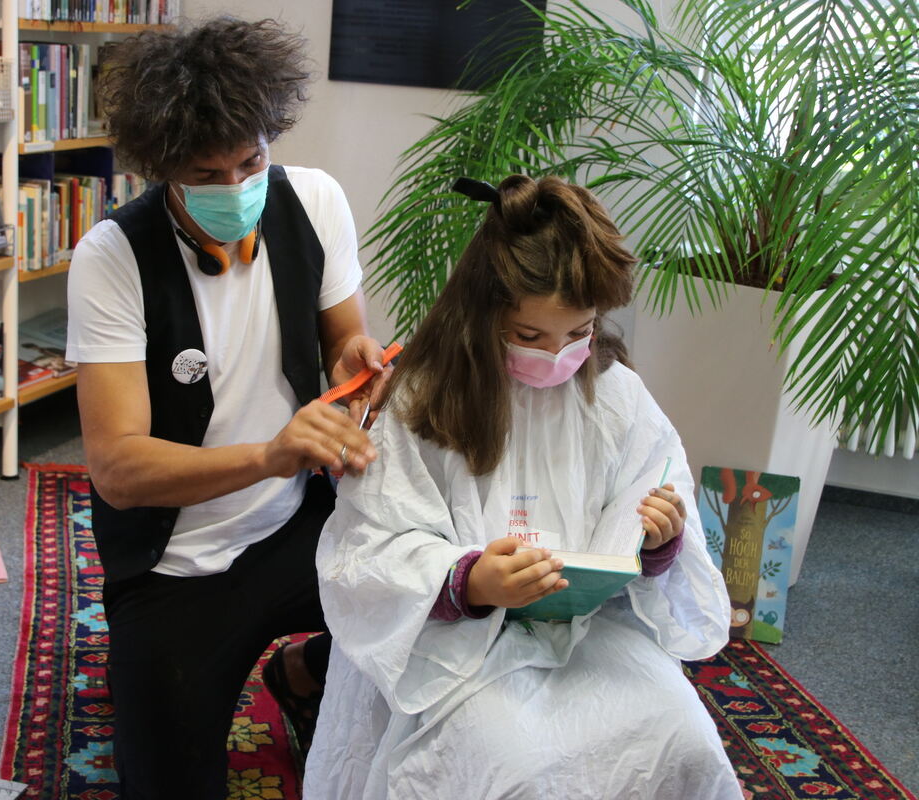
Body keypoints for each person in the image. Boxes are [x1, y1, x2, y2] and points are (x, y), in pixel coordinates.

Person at [304, 175, 742, 799]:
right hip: (458, 648)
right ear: (481, 314)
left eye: (579, 333)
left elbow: (654, 490)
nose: (557, 355)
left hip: (592, 633)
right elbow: (368, 546)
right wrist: (470, 580)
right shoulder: (424, 397)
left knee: (687, 742)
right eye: (529, 337)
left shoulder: (615, 394)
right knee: (524, 772)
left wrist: (659, 541)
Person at [66, 17, 386, 800]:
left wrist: (353, 362)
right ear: (161, 168)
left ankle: (304, 672)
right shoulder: (112, 258)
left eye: (251, 161)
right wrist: (269, 456)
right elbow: (118, 470)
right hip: (176, 564)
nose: (237, 187)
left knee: (441, 600)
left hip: (299, 524)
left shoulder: (314, 200)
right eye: (206, 174)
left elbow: (345, 340)